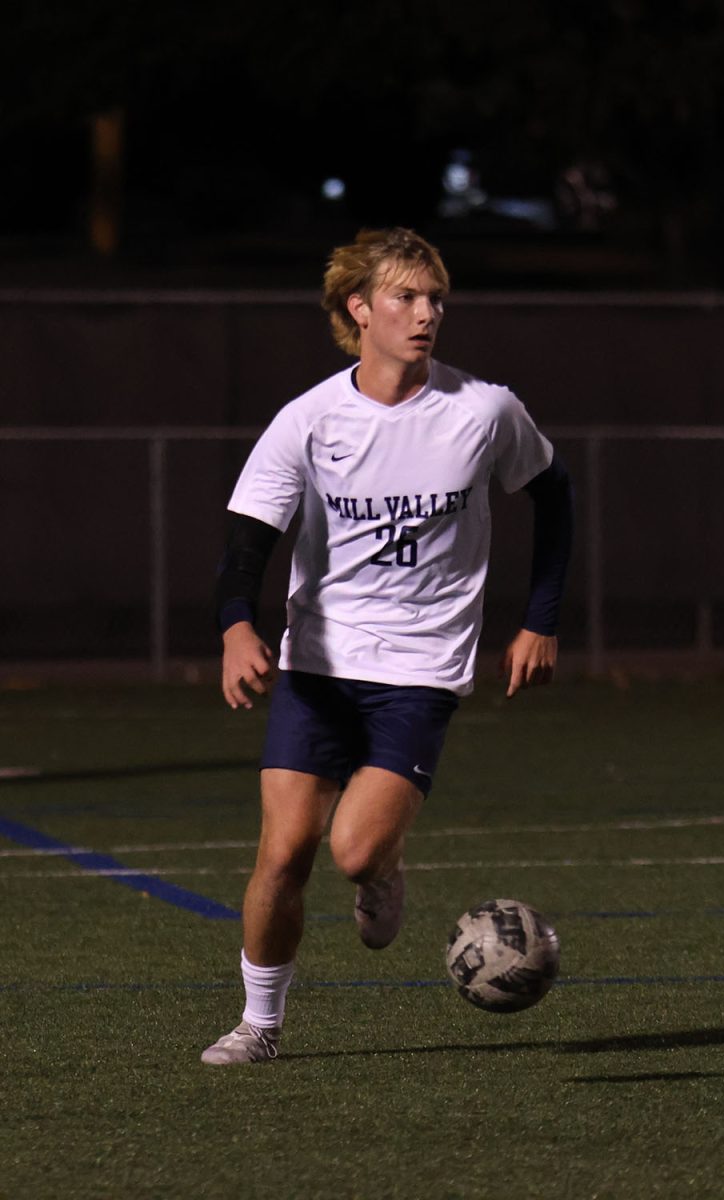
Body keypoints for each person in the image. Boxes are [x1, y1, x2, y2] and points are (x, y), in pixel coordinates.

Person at [201, 227, 573, 1065]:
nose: (426, 313)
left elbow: (555, 494)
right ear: (357, 308)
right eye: (405, 296)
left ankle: (381, 873)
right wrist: (234, 627)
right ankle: (259, 1025)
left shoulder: (483, 409)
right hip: (318, 669)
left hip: (420, 670)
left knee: (354, 848)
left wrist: (540, 618)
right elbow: (246, 539)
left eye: (435, 297)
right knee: (285, 850)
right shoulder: (309, 419)